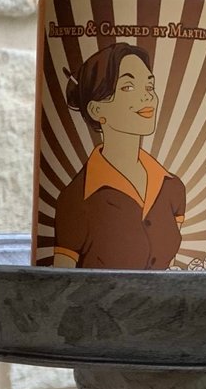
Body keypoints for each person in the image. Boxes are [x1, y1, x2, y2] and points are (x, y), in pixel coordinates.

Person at [52, 41, 187, 269]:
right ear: (97, 110)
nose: (147, 97)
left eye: (149, 86)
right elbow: (60, 286)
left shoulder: (173, 188)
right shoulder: (75, 200)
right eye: (128, 87)